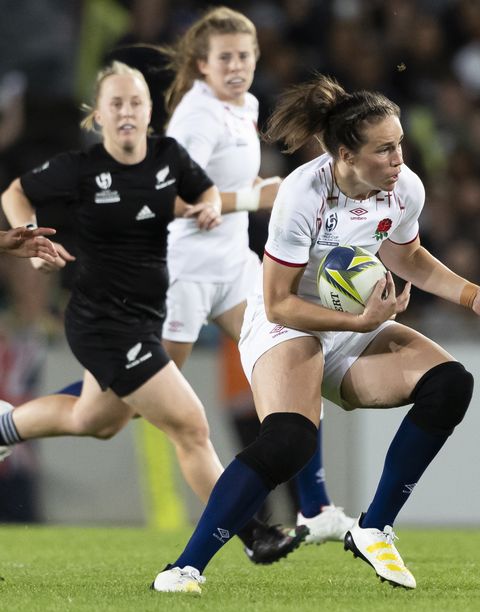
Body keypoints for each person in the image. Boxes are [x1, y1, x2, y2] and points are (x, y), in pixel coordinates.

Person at [151, 73, 480, 594]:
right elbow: (280, 301)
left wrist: (472, 297)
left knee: (450, 384)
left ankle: (374, 527)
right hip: (283, 325)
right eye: (384, 150)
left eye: (399, 144)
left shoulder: (403, 188)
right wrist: (359, 322)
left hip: (353, 324)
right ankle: (183, 568)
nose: (398, 159)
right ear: (344, 155)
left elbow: (406, 254)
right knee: (289, 440)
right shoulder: (301, 195)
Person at [0, 61, 300, 564]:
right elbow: (15, 192)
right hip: (101, 321)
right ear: (98, 115)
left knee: (95, 419)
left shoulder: (168, 157)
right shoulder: (81, 169)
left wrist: (225, 202)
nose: (126, 112)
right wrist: (29, 240)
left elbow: (196, 194)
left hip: (144, 317)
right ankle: (251, 533)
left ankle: (6, 427)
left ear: (148, 112)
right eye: (115, 103)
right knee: (191, 425)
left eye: (135, 102)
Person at [158, 6, 355, 546]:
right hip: (186, 270)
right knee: (126, 400)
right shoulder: (195, 117)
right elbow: (171, 197)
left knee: (295, 350)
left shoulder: (242, 105)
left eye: (245, 55)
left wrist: (252, 188)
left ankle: (314, 508)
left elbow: (217, 187)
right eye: (226, 57)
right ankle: (17, 424)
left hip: (233, 266)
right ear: (202, 64)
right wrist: (254, 196)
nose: (238, 66)